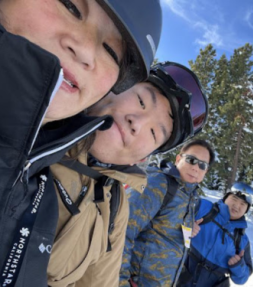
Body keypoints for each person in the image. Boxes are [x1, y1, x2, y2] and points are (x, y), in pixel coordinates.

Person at [0, 1, 162, 286]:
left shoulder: (37, 179)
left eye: (111, 51)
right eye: (71, 6)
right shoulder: (47, 170)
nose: (87, 49)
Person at [47, 62, 209, 287]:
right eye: (141, 101)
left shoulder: (114, 205)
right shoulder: (34, 124)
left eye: (153, 133)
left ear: (141, 158)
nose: (138, 123)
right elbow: (129, 238)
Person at [119, 139, 215, 287]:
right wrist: (121, 282)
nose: (196, 168)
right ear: (178, 158)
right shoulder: (158, 183)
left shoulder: (190, 196)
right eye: (191, 160)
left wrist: (189, 226)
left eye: (202, 165)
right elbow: (121, 231)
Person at [177, 182, 253, 287]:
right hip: (181, 279)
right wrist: (186, 225)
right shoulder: (203, 208)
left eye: (243, 204)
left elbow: (242, 279)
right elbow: (172, 217)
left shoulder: (242, 239)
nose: (237, 206)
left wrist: (237, 265)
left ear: (246, 209)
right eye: (234, 199)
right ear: (225, 197)